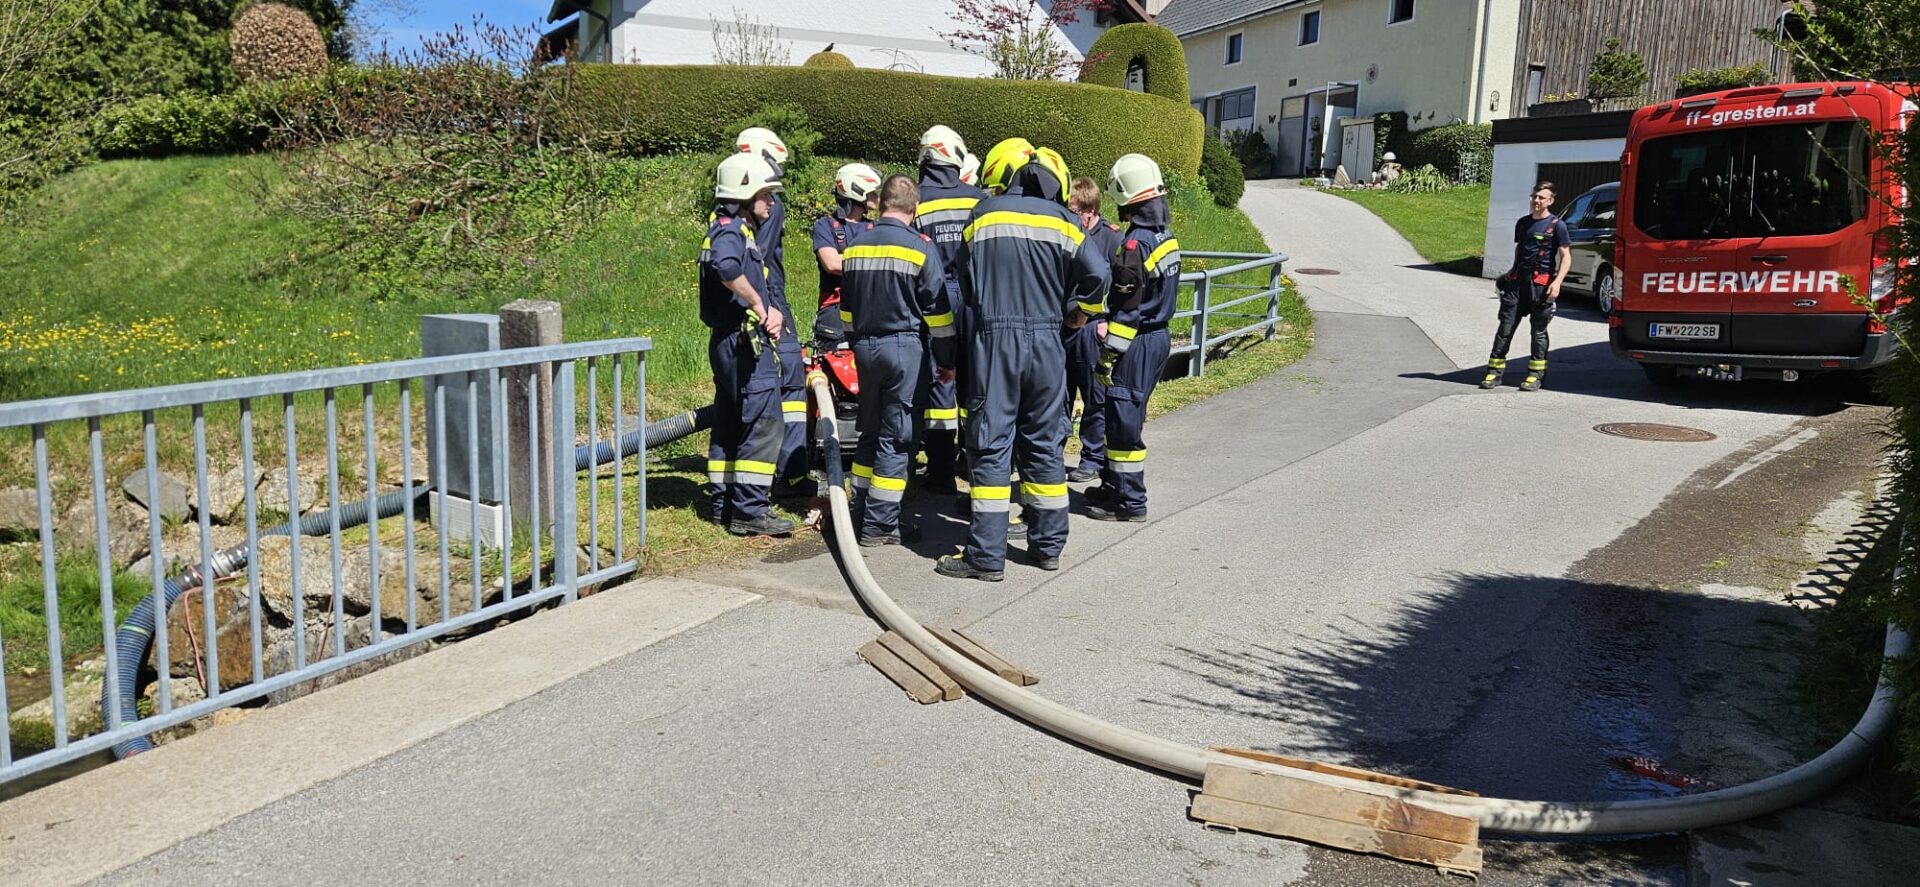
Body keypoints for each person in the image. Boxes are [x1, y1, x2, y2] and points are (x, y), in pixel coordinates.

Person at [935, 138, 1110, 583]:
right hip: (1048, 341)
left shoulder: (983, 215)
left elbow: (965, 281)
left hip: (996, 340)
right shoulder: (1067, 222)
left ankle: (986, 557)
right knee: (1043, 442)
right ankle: (1048, 547)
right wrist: (1079, 314)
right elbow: (1100, 274)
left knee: (992, 444)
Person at [841, 175, 957, 546]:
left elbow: (846, 311)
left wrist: (855, 342)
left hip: (863, 347)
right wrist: (946, 360)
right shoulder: (920, 247)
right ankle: (881, 524)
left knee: (870, 432)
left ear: (880, 203)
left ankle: (858, 511)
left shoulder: (856, 247)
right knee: (898, 437)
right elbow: (938, 315)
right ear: (915, 208)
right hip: (904, 349)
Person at [698, 152, 794, 537]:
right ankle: (750, 510)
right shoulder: (730, 232)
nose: (771, 202)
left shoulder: (733, 229)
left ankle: (724, 502)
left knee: (727, 421)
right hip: (741, 342)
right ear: (743, 194)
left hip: (728, 340)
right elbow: (725, 268)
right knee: (764, 420)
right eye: (765, 194)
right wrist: (758, 303)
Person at [1086, 153, 1179, 522]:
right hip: (1157, 338)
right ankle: (1113, 487)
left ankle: (1130, 501)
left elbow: (1126, 311)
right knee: (1124, 414)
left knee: (1123, 419)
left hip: (1138, 340)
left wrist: (1108, 354)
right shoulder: (1164, 236)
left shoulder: (1134, 245)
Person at [735, 127, 811, 495]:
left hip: (741, 307)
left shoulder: (728, 209)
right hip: (769, 300)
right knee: (790, 377)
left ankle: (749, 478)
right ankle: (791, 473)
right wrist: (769, 308)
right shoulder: (769, 206)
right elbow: (759, 262)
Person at [912, 125, 985, 496]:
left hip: (934, 298)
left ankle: (939, 473)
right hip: (974, 298)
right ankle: (976, 466)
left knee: (942, 379)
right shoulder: (978, 198)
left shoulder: (915, 200)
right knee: (975, 383)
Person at [1063, 176, 1125, 484]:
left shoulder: (1112, 238)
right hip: (1063, 327)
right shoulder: (1065, 233)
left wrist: (1108, 323)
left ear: (1090, 210)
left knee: (1094, 397)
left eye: (1074, 210)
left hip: (1093, 329)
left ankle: (1091, 457)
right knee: (1058, 395)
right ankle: (1052, 454)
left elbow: (1123, 286)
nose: (1071, 215)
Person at [1480, 181, 1569, 392]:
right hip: (1516, 284)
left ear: (1550, 201)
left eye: (1542, 198)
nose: (1536, 201)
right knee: (1505, 329)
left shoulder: (1557, 226)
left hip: (1541, 285)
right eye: (1534, 197)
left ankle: (1535, 375)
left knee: (1538, 332)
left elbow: (1566, 257)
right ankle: (1494, 373)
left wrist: (1557, 283)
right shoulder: (1522, 223)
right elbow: (1520, 248)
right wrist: (1510, 275)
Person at [811, 162, 881, 344]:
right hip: (835, 310)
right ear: (857, 191)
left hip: (872, 307)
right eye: (872, 192)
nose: (877, 197)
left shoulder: (877, 227)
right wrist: (874, 261)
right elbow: (832, 264)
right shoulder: (824, 226)